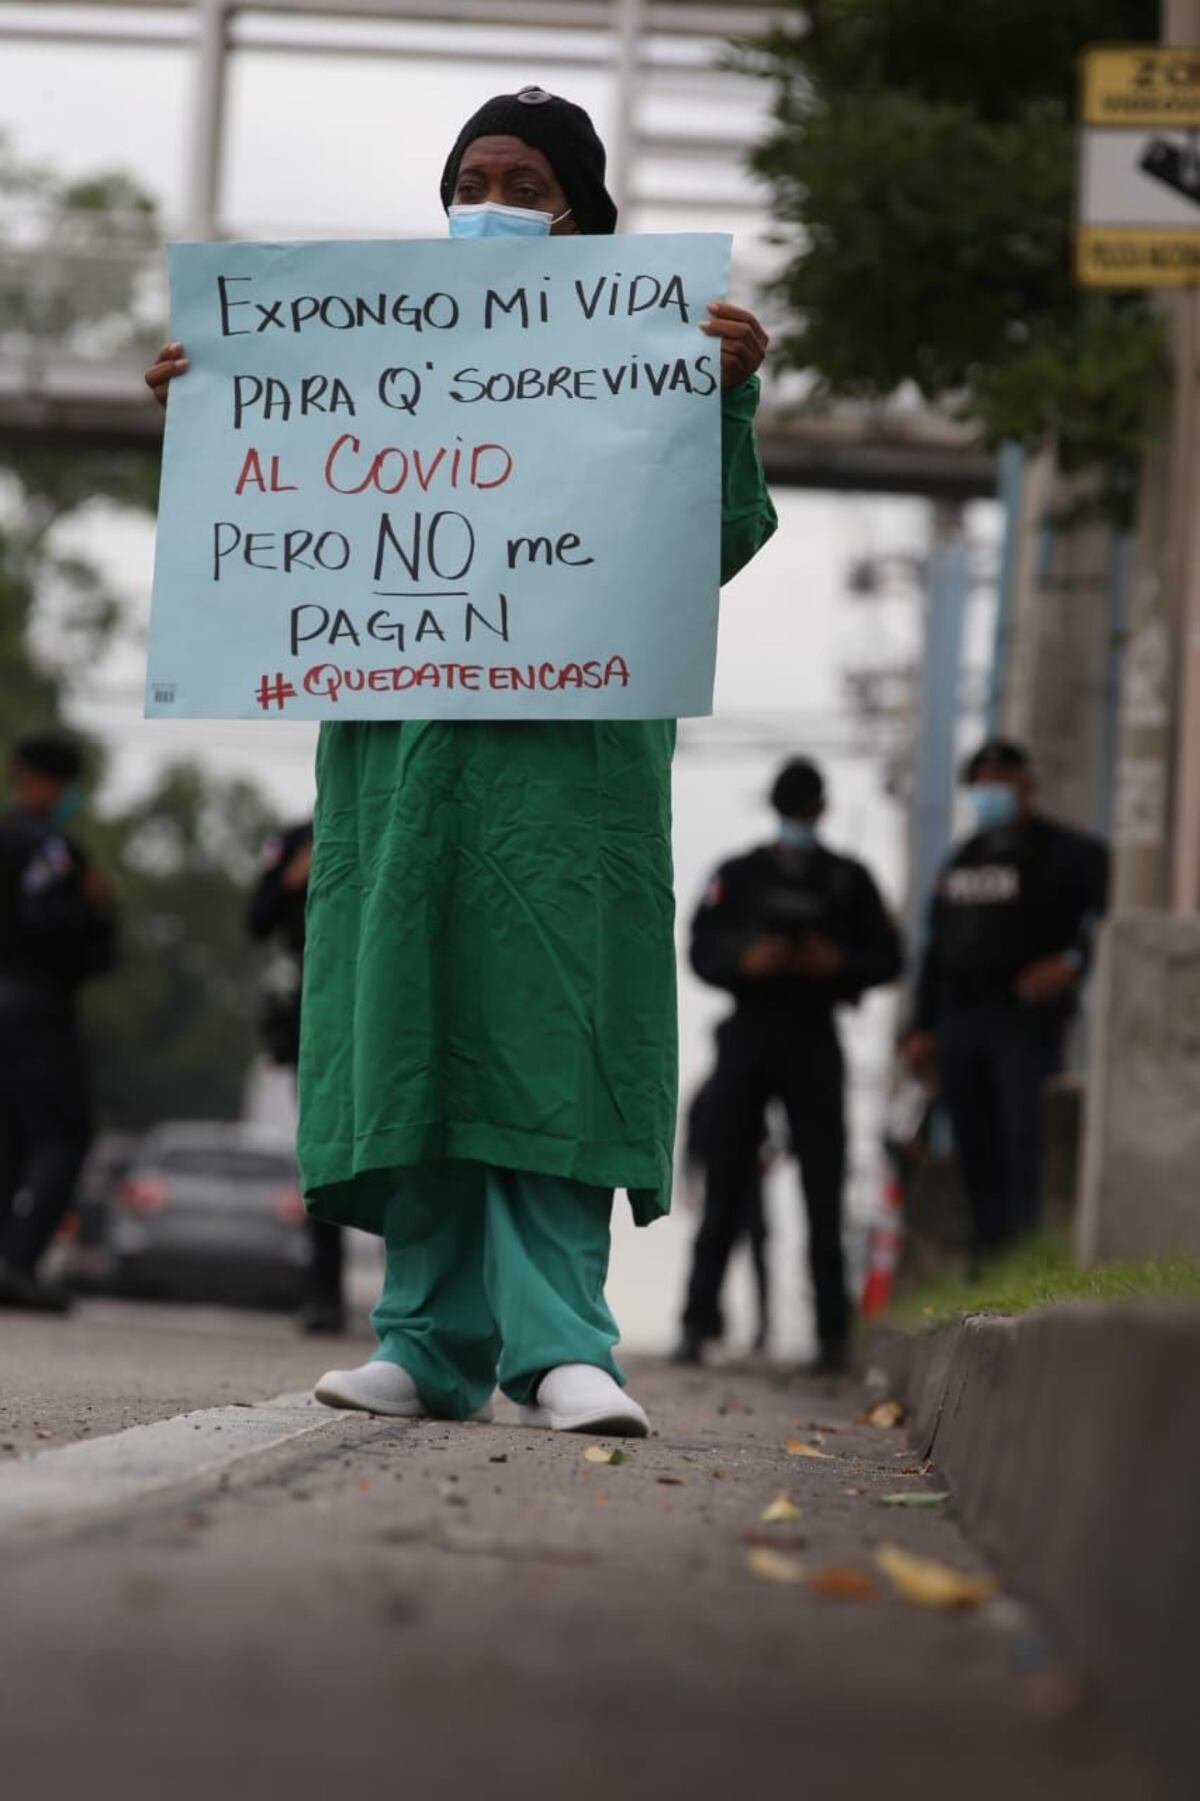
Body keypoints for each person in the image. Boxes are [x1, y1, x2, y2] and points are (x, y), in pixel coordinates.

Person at [145, 86, 777, 1436]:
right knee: (411, 1024)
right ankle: (425, 1340)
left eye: (529, 186)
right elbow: (263, 525)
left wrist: (724, 401)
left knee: (548, 1030)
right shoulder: (366, 345)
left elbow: (709, 543)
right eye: (474, 176)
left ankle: (562, 1345)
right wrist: (213, 408)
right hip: (402, 767)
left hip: (566, 778)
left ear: (584, 214)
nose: (493, 201)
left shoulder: (647, 348)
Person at [677, 757, 903, 1374]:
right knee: (725, 1181)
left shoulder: (847, 880)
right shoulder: (739, 875)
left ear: (820, 810)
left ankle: (833, 1333)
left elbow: (888, 956)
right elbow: (700, 948)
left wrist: (836, 964)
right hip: (748, 1031)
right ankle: (698, 1324)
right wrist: (749, 960)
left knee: (822, 1185)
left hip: (813, 1033)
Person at [903, 738, 1109, 1263]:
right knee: (973, 1138)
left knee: (1023, 1134)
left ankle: (1026, 1247)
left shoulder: (1071, 854)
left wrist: (1070, 963)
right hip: (960, 1017)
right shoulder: (962, 861)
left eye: (1001, 779)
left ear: (1026, 785)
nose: (990, 791)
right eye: (982, 782)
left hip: (1022, 1016)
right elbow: (937, 950)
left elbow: (1106, 921)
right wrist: (921, 1028)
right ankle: (989, 1252)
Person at [0, 734, 116, 1311]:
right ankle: (18, 1261)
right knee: (65, 1134)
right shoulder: (50, 849)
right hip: (34, 1000)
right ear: (54, 783)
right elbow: (51, 921)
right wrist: (96, 906)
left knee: (10, 1136)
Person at [246, 819, 346, 1336]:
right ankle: (323, 1295)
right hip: (318, 1001)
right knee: (323, 1151)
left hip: (389, 997)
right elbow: (256, 922)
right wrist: (291, 879)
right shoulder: (298, 838)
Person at [680, 1073, 774, 1354]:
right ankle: (701, 1325)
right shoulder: (710, 1092)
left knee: (751, 1252)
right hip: (719, 1180)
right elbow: (692, 1142)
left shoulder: (750, 1087)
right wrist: (689, 1182)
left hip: (748, 1183)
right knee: (713, 1246)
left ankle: (761, 1327)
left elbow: (771, 1134)